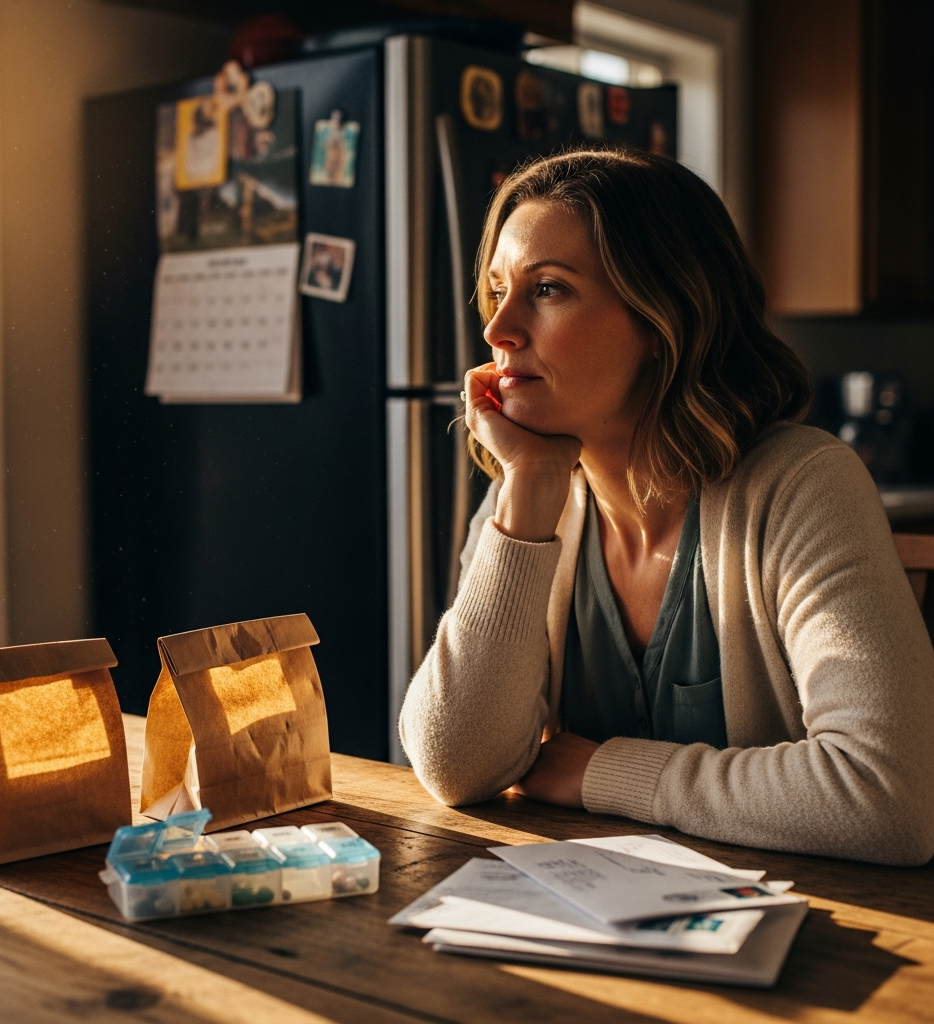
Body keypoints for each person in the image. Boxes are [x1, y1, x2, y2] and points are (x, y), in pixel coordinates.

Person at [398, 149, 934, 867]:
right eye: (498, 292)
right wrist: (524, 490)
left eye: (549, 289)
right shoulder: (531, 499)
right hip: (584, 928)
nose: (499, 332)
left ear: (663, 318)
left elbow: (886, 799)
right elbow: (455, 767)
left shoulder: (802, 485)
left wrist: (600, 771)